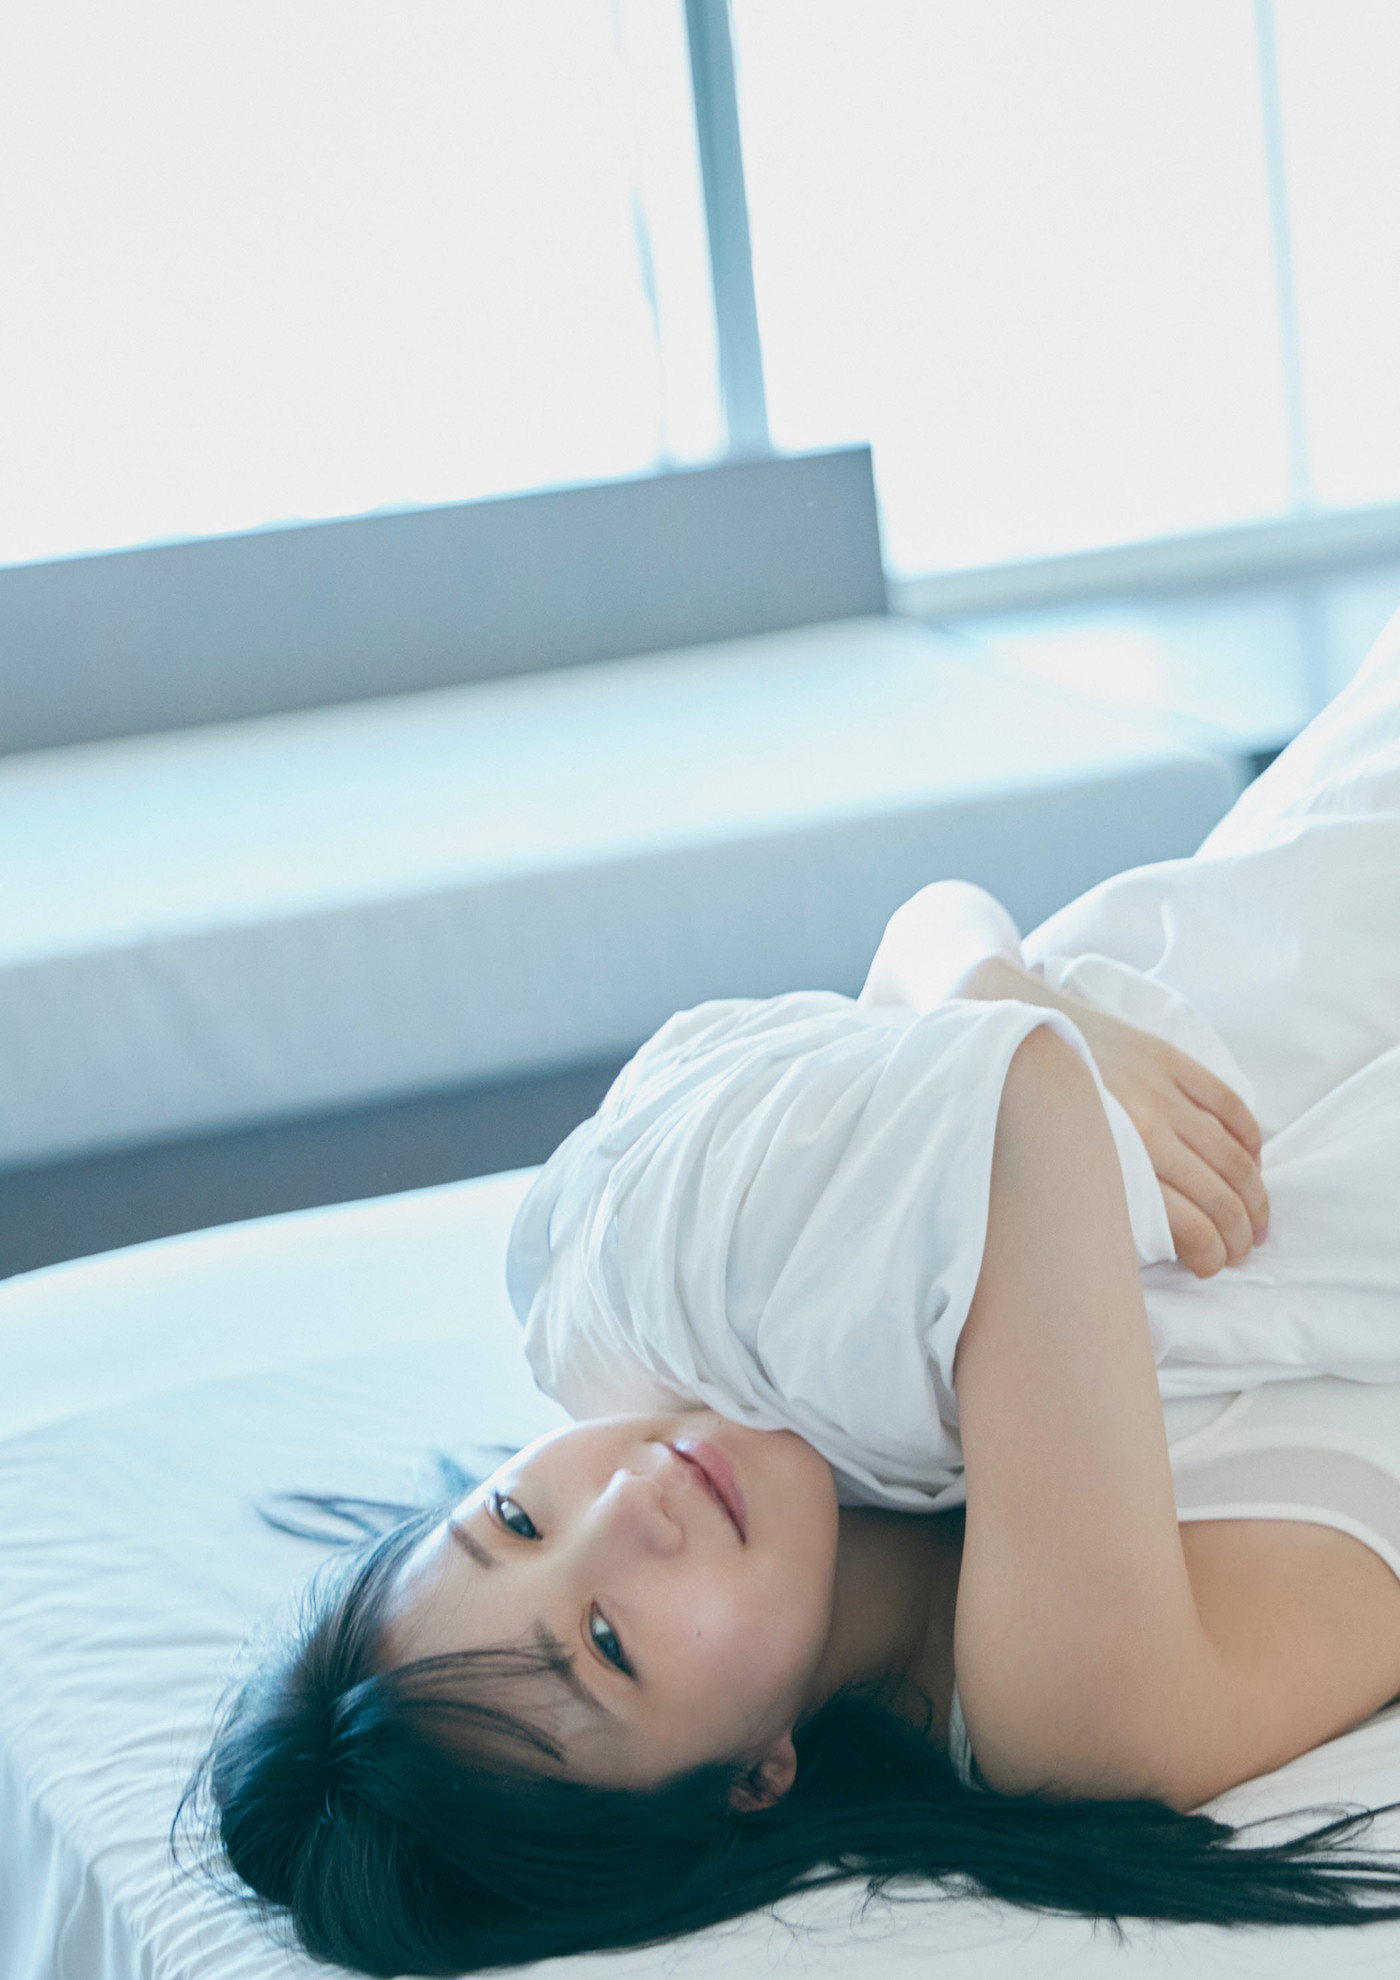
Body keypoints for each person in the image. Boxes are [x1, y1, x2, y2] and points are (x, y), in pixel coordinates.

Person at [191, 610, 1400, 1976]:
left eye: (515, 1516)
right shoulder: (1075, 1715)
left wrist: (986, 986)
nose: (627, 1503)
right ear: (751, 1781)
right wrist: (1000, 1024)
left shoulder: (824, 1385)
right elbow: (1019, 1103)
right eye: (607, 1641)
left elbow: (932, 939)